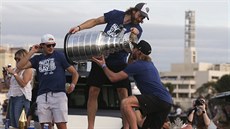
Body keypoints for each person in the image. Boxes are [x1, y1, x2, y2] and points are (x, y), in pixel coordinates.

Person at [69, 3, 149, 129]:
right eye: (141, 16)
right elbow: (96, 21)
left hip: (118, 61)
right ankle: (90, 127)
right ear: (134, 11)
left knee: (123, 93)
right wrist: (79, 28)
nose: (141, 20)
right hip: (101, 58)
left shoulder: (138, 29)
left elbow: (130, 48)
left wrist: (134, 35)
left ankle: (126, 126)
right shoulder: (115, 14)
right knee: (93, 91)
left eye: (143, 18)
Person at [92, 40, 173, 129]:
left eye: (134, 48)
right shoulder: (149, 64)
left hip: (158, 98)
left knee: (126, 103)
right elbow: (129, 65)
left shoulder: (138, 65)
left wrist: (103, 65)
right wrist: (131, 54)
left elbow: (113, 78)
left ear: (139, 52)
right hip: (166, 101)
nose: (132, 50)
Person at [17, 34, 79, 129]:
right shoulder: (37, 59)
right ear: (42, 45)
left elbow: (75, 73)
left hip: (59, 94)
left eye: (53, 45)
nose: (51, 47)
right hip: (43, 95)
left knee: (61, 125)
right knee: (45, 125)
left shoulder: (59, 56)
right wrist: (32, 51)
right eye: (48, 45)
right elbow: (20, 66)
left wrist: (73, 85)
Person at [3, 49, 33, 128]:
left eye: (18, 59)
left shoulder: (28, 69)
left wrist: (14, 74)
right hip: (13, 97)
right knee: (11, 123)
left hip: (22, 98)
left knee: (20, 124)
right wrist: (5, 75)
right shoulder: (16, 70)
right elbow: (9, 86)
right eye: (15, 59)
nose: (16, 61)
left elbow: (23, 84)